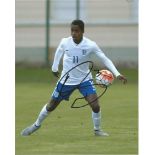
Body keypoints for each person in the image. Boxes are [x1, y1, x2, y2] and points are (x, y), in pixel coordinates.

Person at [21, 19, 127, 137]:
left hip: (85, 80)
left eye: (76, 31)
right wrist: (54, 67)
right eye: (72, 30)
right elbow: (59, 52)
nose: (73, 33)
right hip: (66, 80)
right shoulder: (65, 42)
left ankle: (97, 130)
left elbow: (104, 59)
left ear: (82, 31)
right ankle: (36, 125)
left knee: (95, 105)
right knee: (51, 105)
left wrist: (117, 74)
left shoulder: (90, 45)